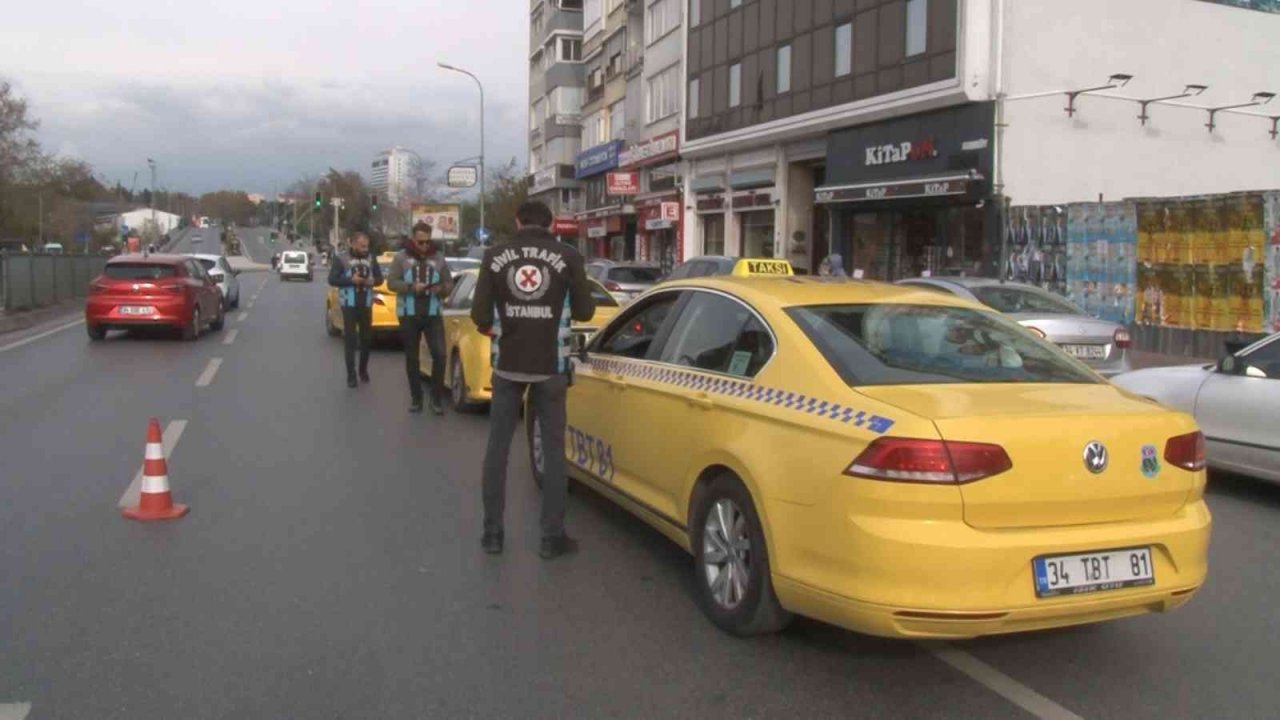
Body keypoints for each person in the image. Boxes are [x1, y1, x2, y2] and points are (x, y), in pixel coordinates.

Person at [472, 201, 595, 559]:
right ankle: (551, 538)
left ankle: (493, 534)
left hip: (507, 366)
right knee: (555, 453)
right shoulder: (568, 256)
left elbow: (479, 313)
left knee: (498, 450)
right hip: (551, 368)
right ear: (552, 223)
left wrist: (502, 323)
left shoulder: (494, 256)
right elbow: (586, 311)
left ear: (516, 221)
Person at [387, 224, 453, 414]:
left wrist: (440, 289)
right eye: (420, 242)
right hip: (409, 313)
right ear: (413, 239)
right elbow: (391, 282)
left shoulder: (439, 258)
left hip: (433, 313)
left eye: (427, 241)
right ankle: (416, 398)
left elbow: (448, 283)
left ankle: (436, 399)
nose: (424, 245)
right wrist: (411, 287)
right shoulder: (401, 258)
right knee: (412, 357)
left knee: (440, 355)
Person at [328, 232, 382, 388]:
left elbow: (379, 279)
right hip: (349, 303)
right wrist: (351, 281)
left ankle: (363, 370)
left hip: (366, 303)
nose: (365, 249)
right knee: (350, 339)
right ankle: (351, 375)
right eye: (362, 246)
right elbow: (332, 279)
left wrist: (371, 281)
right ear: (353, 244)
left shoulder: (371, 258)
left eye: (367, 246)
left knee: (366, 340)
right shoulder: (341, 258)